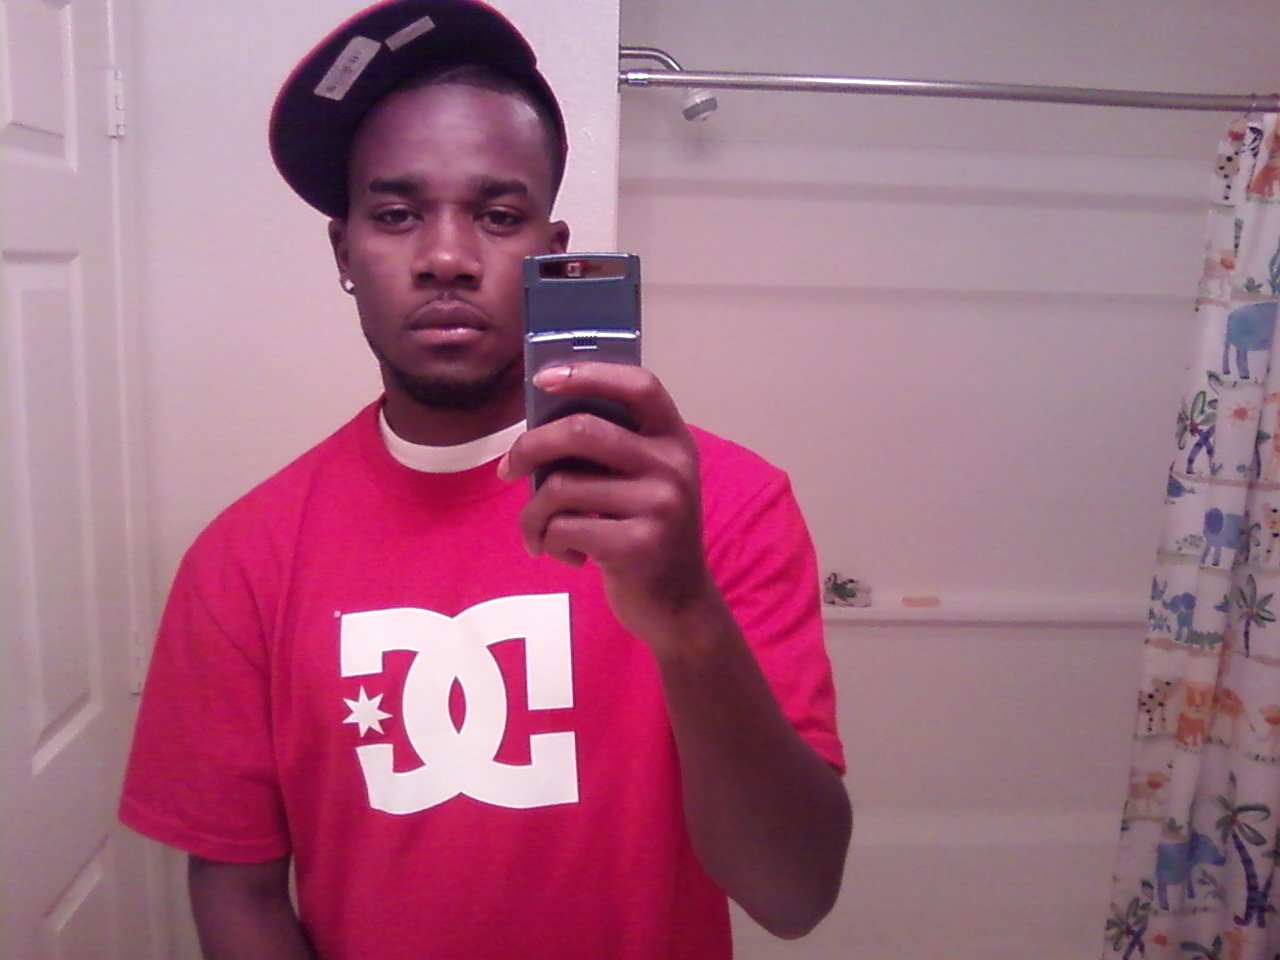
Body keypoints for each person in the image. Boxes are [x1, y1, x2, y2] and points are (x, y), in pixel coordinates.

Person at [118, 2, 851, 958]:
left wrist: (685, 617)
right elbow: (238, 890)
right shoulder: (242, 562)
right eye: (396, 215)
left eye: (499, 216)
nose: (447, 258)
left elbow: (795, 894)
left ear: (552, 252)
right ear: (345, 254)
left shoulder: (726, 504)